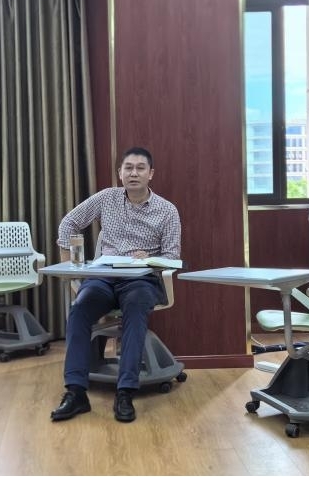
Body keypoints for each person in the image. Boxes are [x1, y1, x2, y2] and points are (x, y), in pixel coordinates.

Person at [50, 147, 182, 423]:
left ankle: (125, 392)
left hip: (141, 280)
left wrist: (151, 258)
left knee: (135, 309)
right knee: (80, 308)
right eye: (128, 168)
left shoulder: (167, 210)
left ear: (151, 174)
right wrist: (70, 267)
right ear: (119, 172)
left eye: (140, 168)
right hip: (103, 276)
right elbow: (68, 223)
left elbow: (172, 257)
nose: (134, 173)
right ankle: (76, 392)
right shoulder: (106, 198)